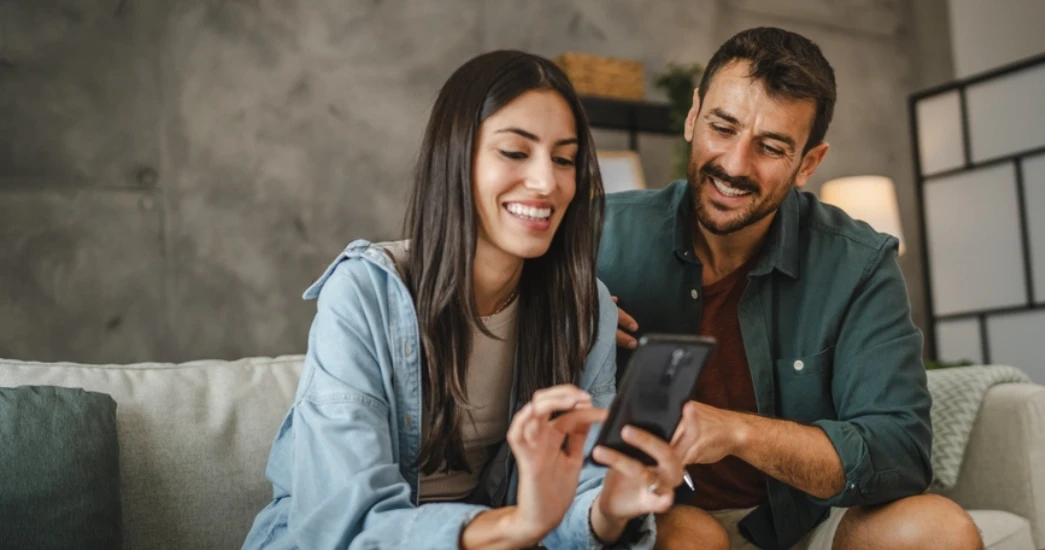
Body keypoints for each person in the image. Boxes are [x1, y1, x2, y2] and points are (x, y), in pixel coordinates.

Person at [242, 50, 688, 550]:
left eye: (564, 159)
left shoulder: (584, 311)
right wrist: (518, 524)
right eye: (515, 152)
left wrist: (607, 510)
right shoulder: (364, 294)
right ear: (455, 157)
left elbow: (575, 496)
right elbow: (348, 522)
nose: (546, 182)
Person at [598, 28, 984, 550]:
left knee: (939, 530)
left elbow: (899, 452)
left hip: (800, 523)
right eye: (722, 128)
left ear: (808, 163)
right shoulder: (598, 237)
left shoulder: (859, 264)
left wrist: (738, 432)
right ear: (693, 117)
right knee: (693, 539)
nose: (735, 164)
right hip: (659, 521)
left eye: (771, 147)